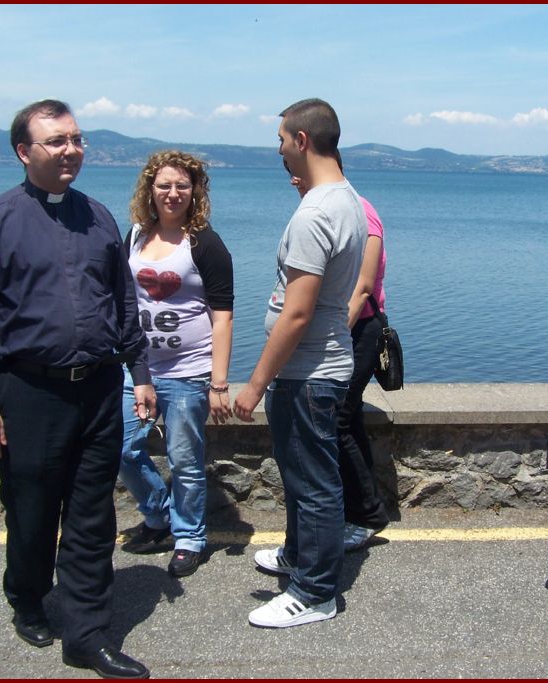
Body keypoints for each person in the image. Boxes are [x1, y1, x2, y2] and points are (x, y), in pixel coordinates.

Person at [0, 99, 155, 679]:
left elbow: (123, 304)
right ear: (24, 151)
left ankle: (86, 635)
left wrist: (140, 375)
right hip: (29, 393)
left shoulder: (101, 218)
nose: (71, 150)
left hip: (98, 389)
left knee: (93, 516)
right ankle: (28, 596)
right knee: (32, 512)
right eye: (56, 141)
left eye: (77, 139)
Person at [233, 98, 366, 628]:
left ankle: (314, 592)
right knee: (303, 477)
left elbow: (298, 313)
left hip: (307, 373)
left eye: (282, 140)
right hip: (321, 366)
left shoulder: (314, 213)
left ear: (302, 141)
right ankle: (298, 555)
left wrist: (255, 382)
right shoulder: (346, 199)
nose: (280, 150)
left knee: (313, 484)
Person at [116, 150, 234, 578]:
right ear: (150, 189)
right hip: (140, 371)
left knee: (184, 460)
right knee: (122, 449)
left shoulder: (204, 243)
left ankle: (189, 537)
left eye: (182, 185)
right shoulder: (134, 236)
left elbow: (222, 315)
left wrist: (218, 383)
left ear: (195, 192)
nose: (173, 193)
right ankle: (158, 515)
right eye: (164, 185)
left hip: (189, 371)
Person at [283, 158, 391, 552]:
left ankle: (366, 516)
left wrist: (333, 337)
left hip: (357, 328)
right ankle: (356, 509)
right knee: (348, 418)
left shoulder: (363, 212)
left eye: (299, 175)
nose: (296, 181)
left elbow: (363, 286)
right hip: (342, 328)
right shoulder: (320, 210)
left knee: (339, 419)